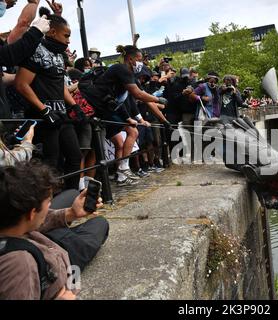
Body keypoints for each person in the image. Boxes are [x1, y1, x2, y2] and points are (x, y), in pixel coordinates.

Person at [0, 161, 109, 300]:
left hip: (39, 238)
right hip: (61, 261)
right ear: (32, 213)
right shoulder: (19, 264)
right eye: (48, 202)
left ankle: (65, 227)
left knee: (72, 194)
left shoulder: (13, 219)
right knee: (100, 223)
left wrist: (71, 213)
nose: (50, 204)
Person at [78, 45, 169, 185]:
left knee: (96, 150)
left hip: (103, 110)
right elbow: (137, 94)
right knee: (87, 150)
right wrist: (157, 99)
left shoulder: (128, 74)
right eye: (139, 59)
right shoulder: (121, 69)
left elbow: (120, 102)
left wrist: (129, 118)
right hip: (91, 108)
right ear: (131, 59)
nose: (141, 63)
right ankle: (86, 184)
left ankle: (91, 183)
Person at [15, 11, 83, 191]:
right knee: (50, 163)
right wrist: (44, 110)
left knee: (75, 156)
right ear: (52, 32)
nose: (68, 41)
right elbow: (21, 84)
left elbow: (59, 84)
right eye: (66, 35)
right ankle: (46, 210)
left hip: (61, 115)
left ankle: (70, 200)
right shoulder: (35, 51)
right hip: (43, 118)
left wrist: (75, 106)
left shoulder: (60, 56)